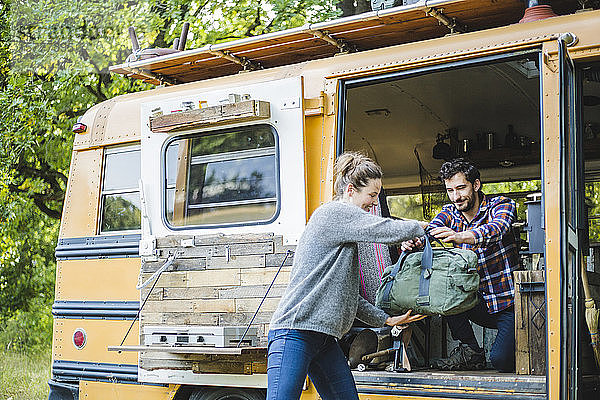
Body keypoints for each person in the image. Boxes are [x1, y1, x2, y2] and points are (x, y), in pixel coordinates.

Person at [267, 152, 427, 400]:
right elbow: (382, 229)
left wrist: (386, 320)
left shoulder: (347, 234)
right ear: (351, 189)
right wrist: (421, 226)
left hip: (323, 338)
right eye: (372, 195)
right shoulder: (333, 213)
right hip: (294, 333)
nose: (375, 204)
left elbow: (349, 295)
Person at [402, 158, 519, 372]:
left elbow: (497, 229)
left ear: (476, 185)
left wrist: (461, 236)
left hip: (506, 304)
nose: (456, 196)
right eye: (450, 190)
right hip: (474, 302)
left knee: (501, 361)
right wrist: (414, 240)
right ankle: (472, 351)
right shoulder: (449, 212)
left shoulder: (501, 204)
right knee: (444, 291)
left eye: (461, 188)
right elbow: (429, 231)